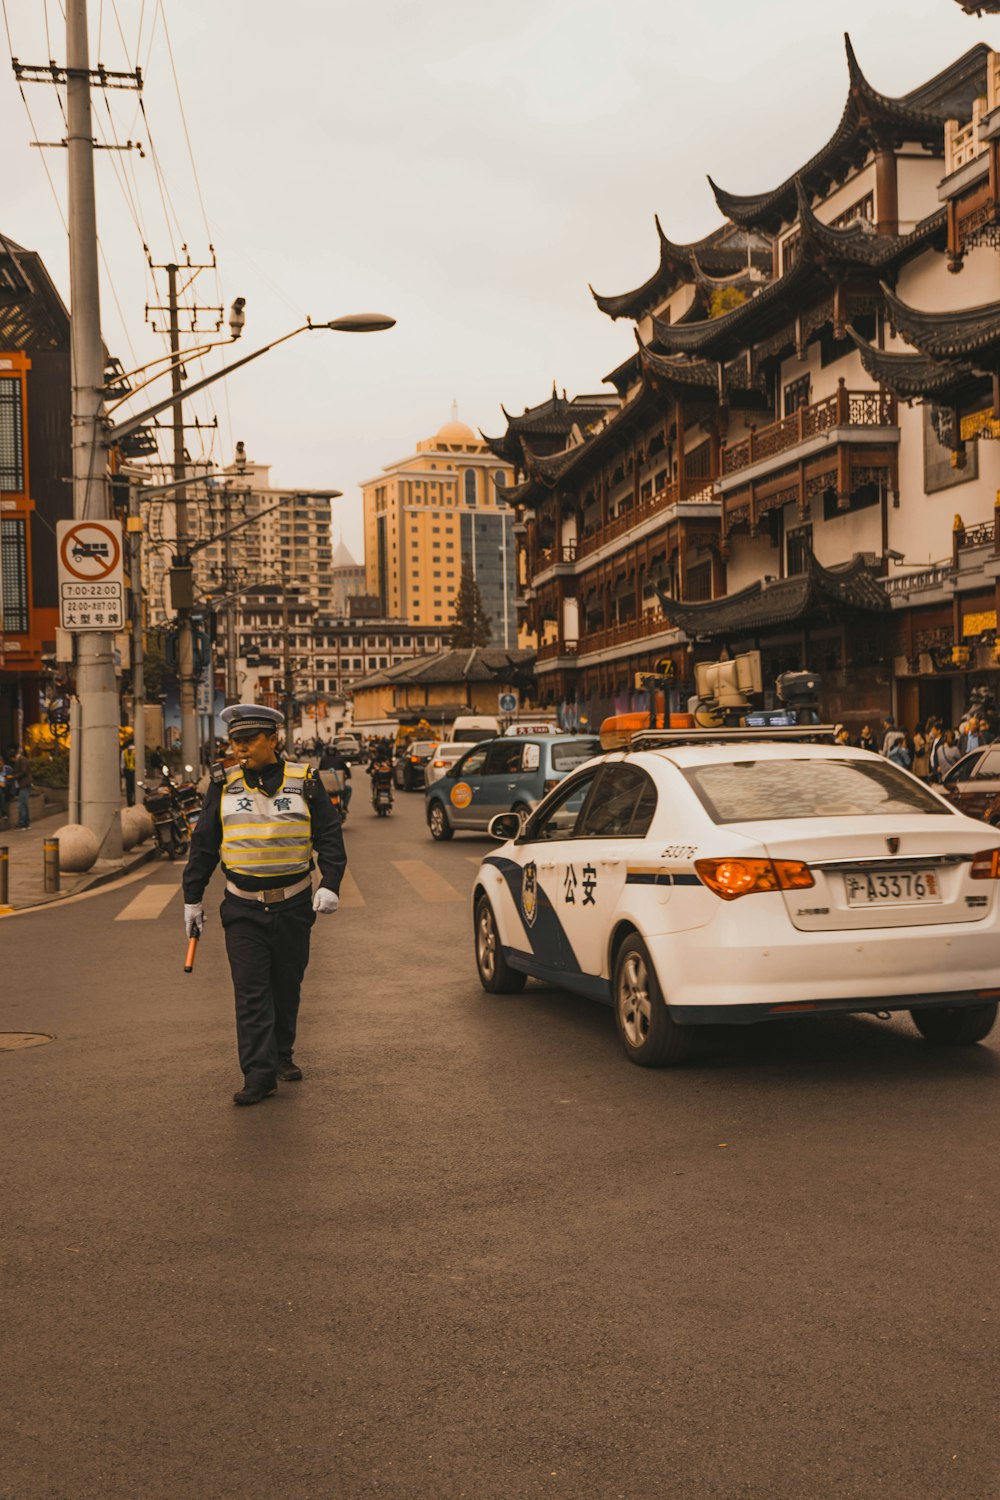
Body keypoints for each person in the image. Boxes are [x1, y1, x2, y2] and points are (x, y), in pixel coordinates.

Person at [181, 704, 347, 1107]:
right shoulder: (223, 783)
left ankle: (282, 1053)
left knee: (286, 985)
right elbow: (204, 843)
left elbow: (328, 834)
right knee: (251, 991)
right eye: (234, 741)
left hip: (293, 906)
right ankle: (259, 1073)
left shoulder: (304, 780)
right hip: (243, 910)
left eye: (248, 740)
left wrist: (331, 883)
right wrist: (192, 899)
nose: (239, 748)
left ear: (273, 740)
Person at [11, 746, 32, 829]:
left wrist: (13, 777)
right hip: (24, 784)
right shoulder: (22, 759)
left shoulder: (22, 760)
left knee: (21, 805)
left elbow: (23, 772)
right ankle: (26, 823)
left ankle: (22, 824)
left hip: (24, 784)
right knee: (25, 804)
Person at [121, 736, 136, 807]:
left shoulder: (124, 752)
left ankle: (129, 803)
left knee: (129, 789)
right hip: (135, 771)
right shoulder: (136, 750)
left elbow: (122, 763)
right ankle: (136, 801)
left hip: (127, 771)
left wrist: (122, 772)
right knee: (135, 788)